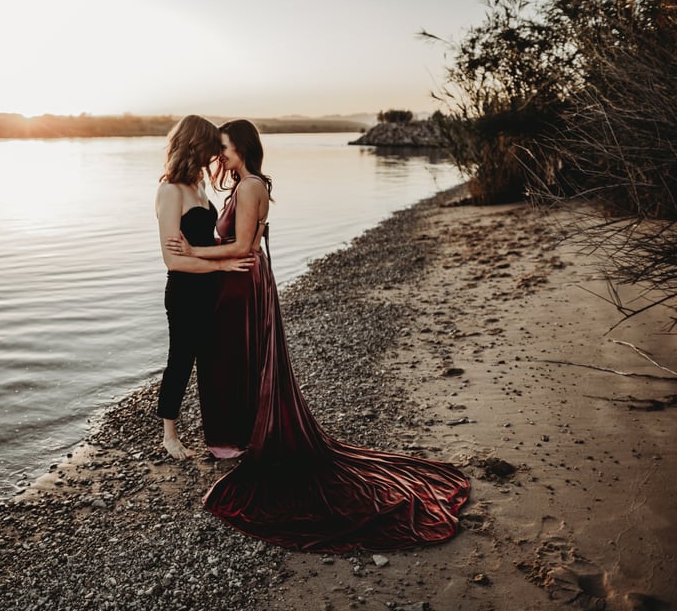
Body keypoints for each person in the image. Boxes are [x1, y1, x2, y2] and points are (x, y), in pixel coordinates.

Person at [166, 119, 469, 553]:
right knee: (232, 357)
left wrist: (194, 252)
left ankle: (240, 439)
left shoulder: (251, 186)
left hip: (242, 280)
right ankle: (236, 436)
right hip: (234, 282)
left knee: (237, 356)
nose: (220, 154)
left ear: (243, 148)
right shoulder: (240, 185)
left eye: (226, 147)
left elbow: (243, 247)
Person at [154, 115, 254, 460]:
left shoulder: (198, 185)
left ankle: (224, 430)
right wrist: (224, 263)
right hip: (184, 292)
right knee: (180, 360)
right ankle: (169, 434)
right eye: (211, 148)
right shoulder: (169, 191)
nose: (215, 156)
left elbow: (200, 239)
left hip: (212, 287)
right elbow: (174, 260)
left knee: (215, 360)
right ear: (194, 144)